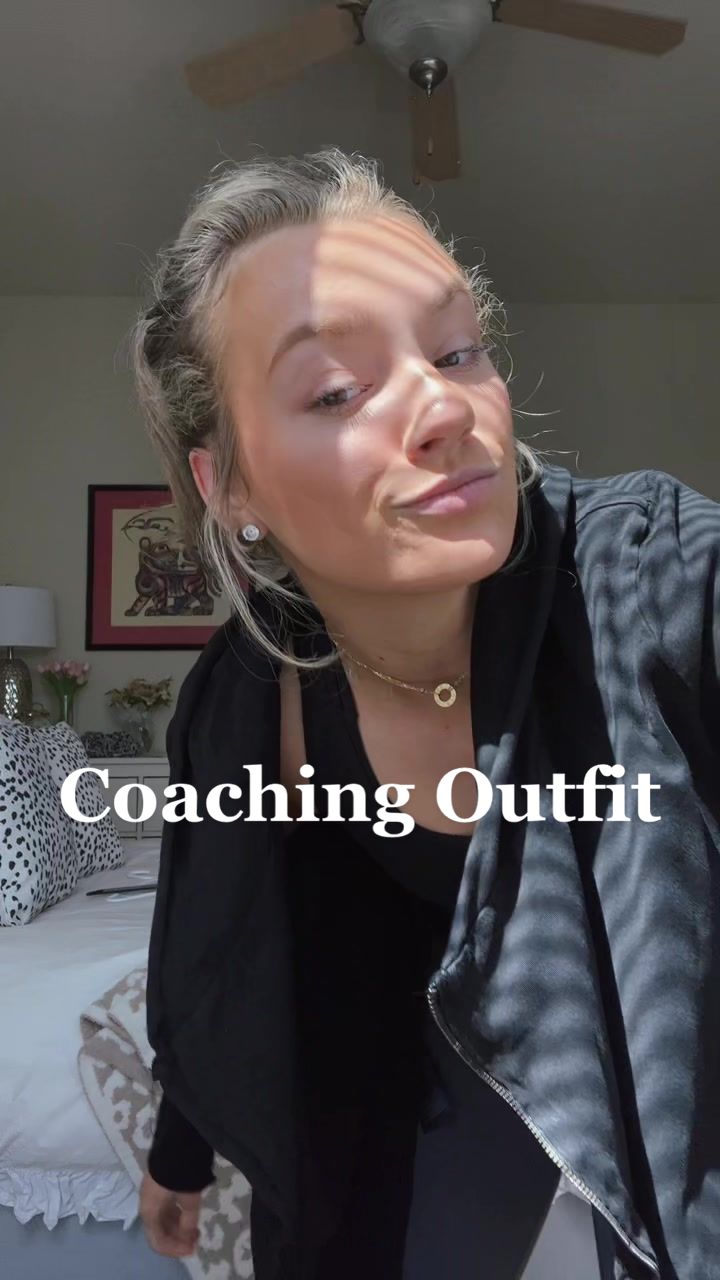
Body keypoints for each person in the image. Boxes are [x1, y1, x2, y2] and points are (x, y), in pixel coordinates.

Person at [132, 148, 720, 1280]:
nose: (447, 407)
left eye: (458, 351)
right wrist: (181, 1150)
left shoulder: (650, 571)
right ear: (229, 487)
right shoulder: (242, 696)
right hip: (398, 1071)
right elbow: (209, 933)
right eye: (336, 391)